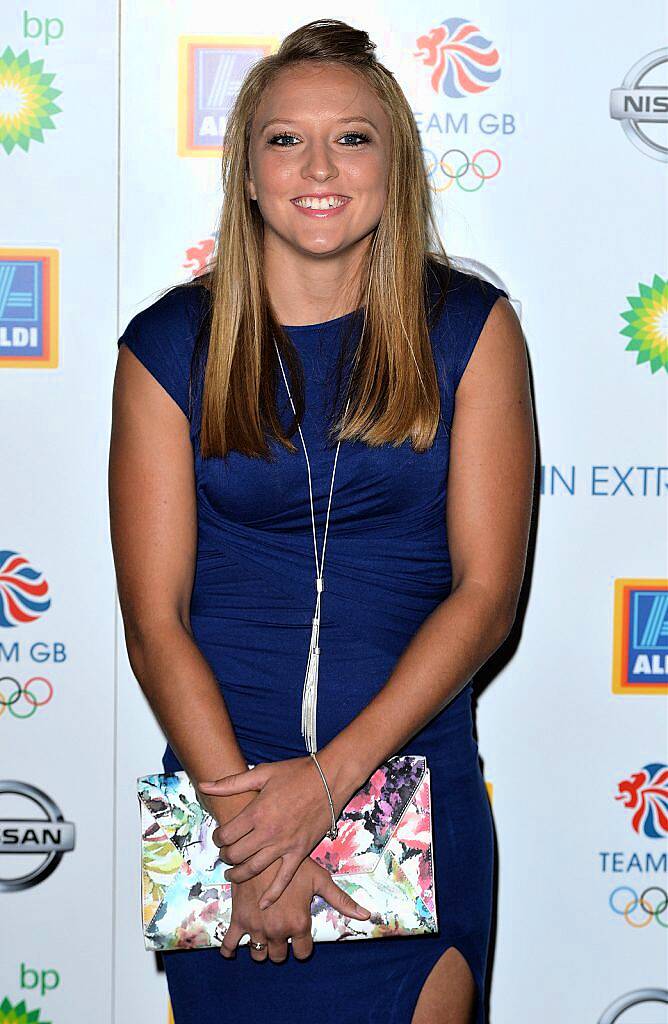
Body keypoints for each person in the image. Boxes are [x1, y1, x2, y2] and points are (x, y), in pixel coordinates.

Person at [108, 17, 534, 1024]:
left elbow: (484, 597)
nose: (318, 165)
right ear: (247, 171)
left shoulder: (468, 331)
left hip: (409, 793)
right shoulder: (168, 346)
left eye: (351, 137)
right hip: (227, 807)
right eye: (284, 137)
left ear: (395, 166)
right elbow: (153, 618)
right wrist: (251, 828)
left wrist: (328, 786)